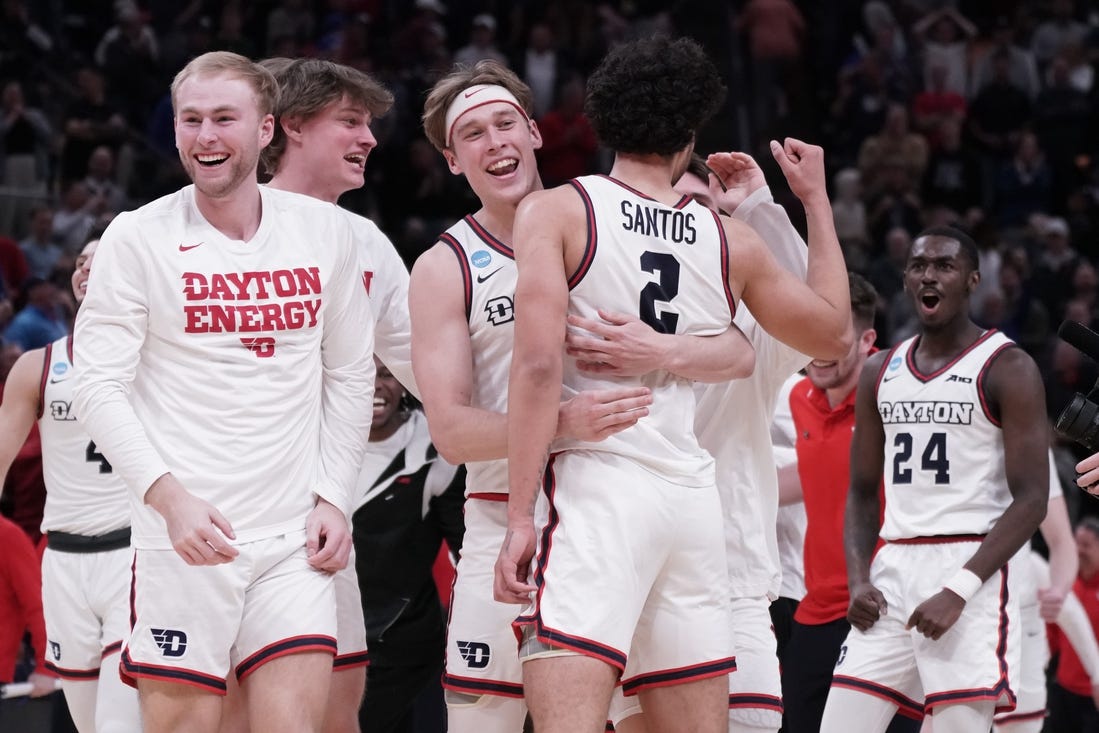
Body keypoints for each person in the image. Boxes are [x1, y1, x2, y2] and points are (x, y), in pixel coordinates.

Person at [494, 36, 852, 733]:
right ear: (689, 134)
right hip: (690, 500)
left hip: (600, 486)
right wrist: (815, 202)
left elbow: (536, 368)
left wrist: (515, 516)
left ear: (602, 120)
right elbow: (834, 334)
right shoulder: (726, 239)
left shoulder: (560, 210)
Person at [414, 59, 748, 733]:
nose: (495, 142)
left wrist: (669, 345)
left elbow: (742, 347)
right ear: (453, 161)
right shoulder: (443, 265)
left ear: (534, 133)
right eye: (473, 134)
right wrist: (560, 424)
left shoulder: (610, 217)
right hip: (502, 519)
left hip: (620, 514)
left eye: (506, 123)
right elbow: (449, 432)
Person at [71, 51, 375, 733]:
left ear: (266, 128)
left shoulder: (325, 231)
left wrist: (334, 495)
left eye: (223, 119)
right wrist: (168, 499)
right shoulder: (136, 236)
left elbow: (351, 374)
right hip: (184, 539)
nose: (205, 136)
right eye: (191, 120)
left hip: (294, 538)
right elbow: (97, 382)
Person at [821, 226, 1049, 733]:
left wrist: (960, 588)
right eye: (920, 265)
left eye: (944, 266)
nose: (930, 274)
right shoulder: (880, 370)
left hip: (971, 566)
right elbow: (860, 492)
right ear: (905, 280)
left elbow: (1033, 500)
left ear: (971, 280)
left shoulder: (1008, 366)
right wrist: (858, 578)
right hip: (892, 569)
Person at [258, 55, 413, 733]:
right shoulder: (214, 224)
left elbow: (431, 371)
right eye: (349, 121)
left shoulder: (366, 239)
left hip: (322, 520)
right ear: (290, 126)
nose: (369, 138)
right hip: (227, 519)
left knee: (338, 709)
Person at [0, 234, 139, 732]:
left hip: (134, 557)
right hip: (61, 563)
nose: (85, 270)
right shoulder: (36, 366)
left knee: (118, 726)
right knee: (87, 724)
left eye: (101, 262)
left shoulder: (164, 360)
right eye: (80, 262)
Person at [778, 272, 920, 733]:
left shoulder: (900, 393)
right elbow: (812, 475)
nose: (819, 349)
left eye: (834, 337)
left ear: (867, 340)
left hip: (886, 610)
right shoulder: (800, 397)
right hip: (816, 609)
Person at [352, 357, 464, 733]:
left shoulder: (434, 450)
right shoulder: (312, 439)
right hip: (325, 629)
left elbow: (466, 546)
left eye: (387, 375)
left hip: (402, 644)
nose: (376, 387)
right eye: (366, 374)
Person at [993, 453, 1084, 733]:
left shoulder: (1034, 447)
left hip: (1018, 618)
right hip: (944, 611)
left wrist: (1059, 588)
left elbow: (1062, 541)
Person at [1044, 516, 1099, 732]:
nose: (1079, 550)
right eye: (1076, 543)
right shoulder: (1066, 585)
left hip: (1094, 695)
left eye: (1086, 545)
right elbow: (1052, 633)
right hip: (1064, 690)